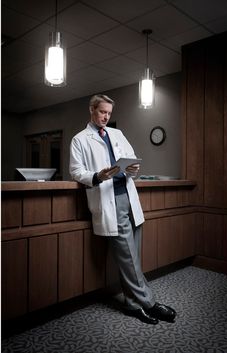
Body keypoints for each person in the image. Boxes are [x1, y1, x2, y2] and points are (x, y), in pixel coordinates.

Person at [69, 94, 176, 325]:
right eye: (102, 112)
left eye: (108, 113)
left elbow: (131, 162)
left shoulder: (117, 134)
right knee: (128, 256)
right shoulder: (80, 139)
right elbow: (76, 171)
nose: (106, 116)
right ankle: (149, 303)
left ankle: (131, 304)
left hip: (128, 196)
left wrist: (133, 168)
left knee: (132, 255)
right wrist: (98, 175)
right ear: (91, 110)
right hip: (109, 201)